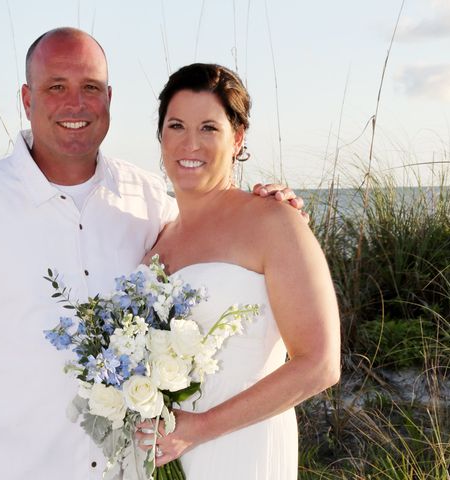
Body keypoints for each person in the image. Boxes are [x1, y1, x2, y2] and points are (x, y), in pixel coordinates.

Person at [0, 28, 306, 480]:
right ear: (27, 100)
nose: (76, 104)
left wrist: (266, 207)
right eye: (56, 87)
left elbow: (211, 239)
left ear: (109, 98)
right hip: (5, 467)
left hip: (124, 470)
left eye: (90, 88)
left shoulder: (147, 197)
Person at [134, 63, 340, 479]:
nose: (190, 143)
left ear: (238, 138)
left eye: (209, 128)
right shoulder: (157, 239)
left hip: (240, 447)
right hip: (161, 456)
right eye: (176, 126)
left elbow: (320, 363)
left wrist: (199, 429)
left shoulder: (274, 221)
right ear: (161, 137)